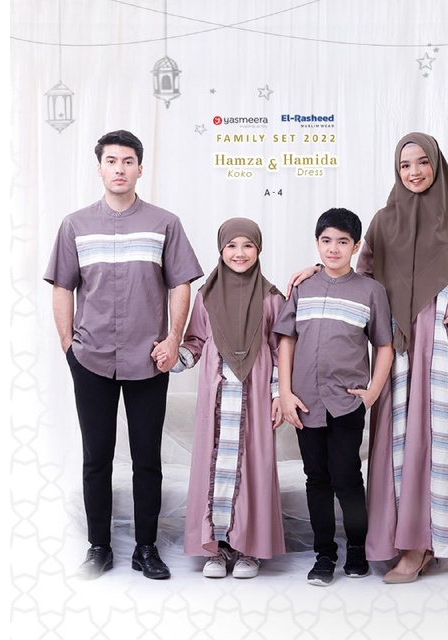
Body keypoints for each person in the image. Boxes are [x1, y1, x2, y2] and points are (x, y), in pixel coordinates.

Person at [288, 132, 448, 584]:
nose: (413, 172)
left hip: (440, 351)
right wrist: (319, 270)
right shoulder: (382, 222)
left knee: (436, 440)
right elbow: (357, 279)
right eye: (404, 165)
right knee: (401, 443)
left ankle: (424, 545)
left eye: (422, 162)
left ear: (437, 164)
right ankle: (405, 540)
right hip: (394, 351)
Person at [43, 129, 203, 580]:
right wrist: (68, 344)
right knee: (96, 457)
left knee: (147, 458)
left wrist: (173, 340)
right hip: (90, 357)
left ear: (140, 168)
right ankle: (99, 548)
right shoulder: (75, 225)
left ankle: (146, 548)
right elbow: (62, 286)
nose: (119, 169)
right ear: (99, 168)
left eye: (128, 161)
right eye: (111, 161)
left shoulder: (164, 223)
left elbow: (181, 284)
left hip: (150, 359)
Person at [273, 208, 393, 586]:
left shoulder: (371, 291)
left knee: (347, 476)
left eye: (343, 242)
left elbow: (384, 345)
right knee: (316, 478)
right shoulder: (303, 287)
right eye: (326, 241)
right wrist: (285, 393)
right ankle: (324, 554)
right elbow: (286, 341)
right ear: (317, 243)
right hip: (305, 401)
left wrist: (372, 392)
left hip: (346, 402)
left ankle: (357, 548)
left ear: (356, 247)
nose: (334, 248)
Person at [171, 218, 286, 579]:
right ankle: (217, 549)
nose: (239, 253)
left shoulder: (272, 298)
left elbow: (281, 351)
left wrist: (279, 395)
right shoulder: (205, 296)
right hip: (217, 398)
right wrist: (172, 358)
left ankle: (249, 550)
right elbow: (195, 342)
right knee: (215, 467)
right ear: (220, 250)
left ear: (259, 250)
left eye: (248, 245)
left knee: (253, 466)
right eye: (231, 246)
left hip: (255, 396)